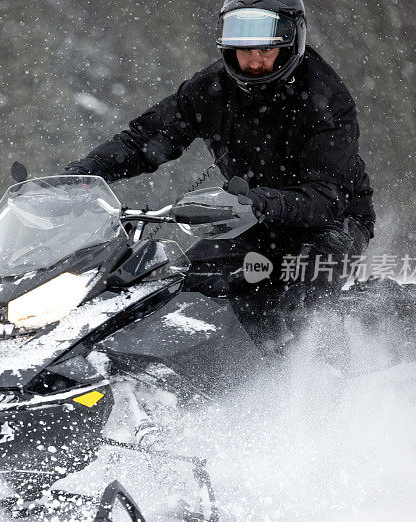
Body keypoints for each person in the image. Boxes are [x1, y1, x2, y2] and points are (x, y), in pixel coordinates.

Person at [65, 0, 375, 342]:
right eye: (243, 51)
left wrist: (260, 203)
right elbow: (146, 140)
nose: (254, 61)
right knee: (179, 286)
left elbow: (327, 196)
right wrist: (83, 173)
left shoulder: (326, 98)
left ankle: (323, 381)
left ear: (292, 43)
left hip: (330, 221)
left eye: (266, 50)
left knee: (297, 312)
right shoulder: (212, 87)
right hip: (249, 215)